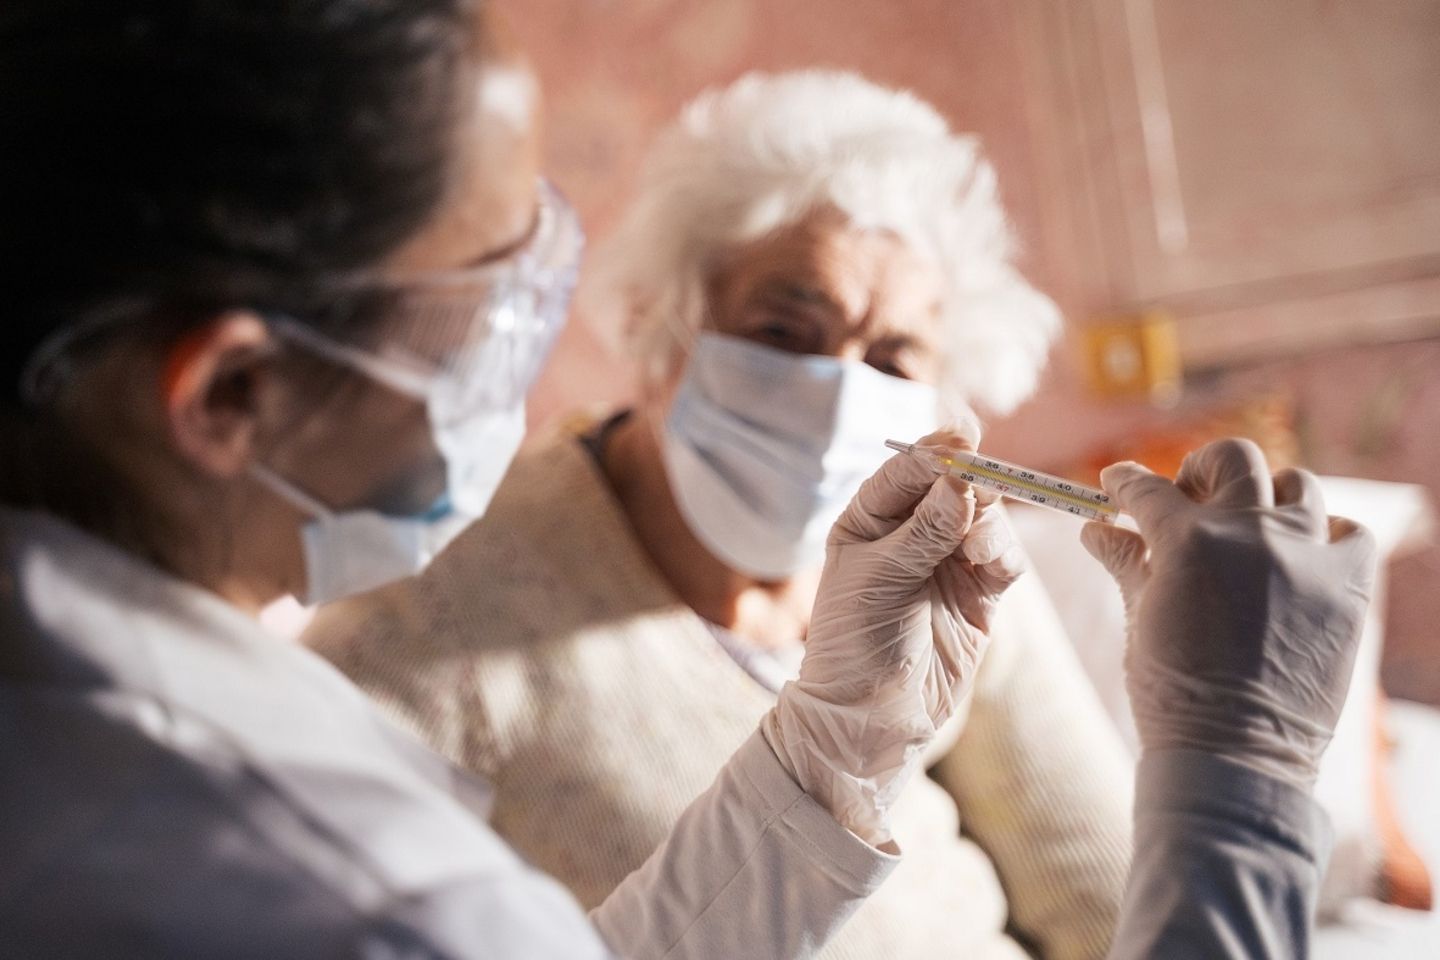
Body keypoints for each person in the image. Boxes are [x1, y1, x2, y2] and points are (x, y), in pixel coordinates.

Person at [0, 3, 1377, 960]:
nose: (519, 370)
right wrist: (1245, 770)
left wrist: (832, 745)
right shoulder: (365, 891)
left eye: (891, 351)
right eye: (486, 306)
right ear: (231, 396)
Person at [307, 70, 1133, 960]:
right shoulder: (441, 608)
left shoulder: (948, 558)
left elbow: (1109, 893)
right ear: (661, 327)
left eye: (892, 361)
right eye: (781, 332)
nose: (836, 398)